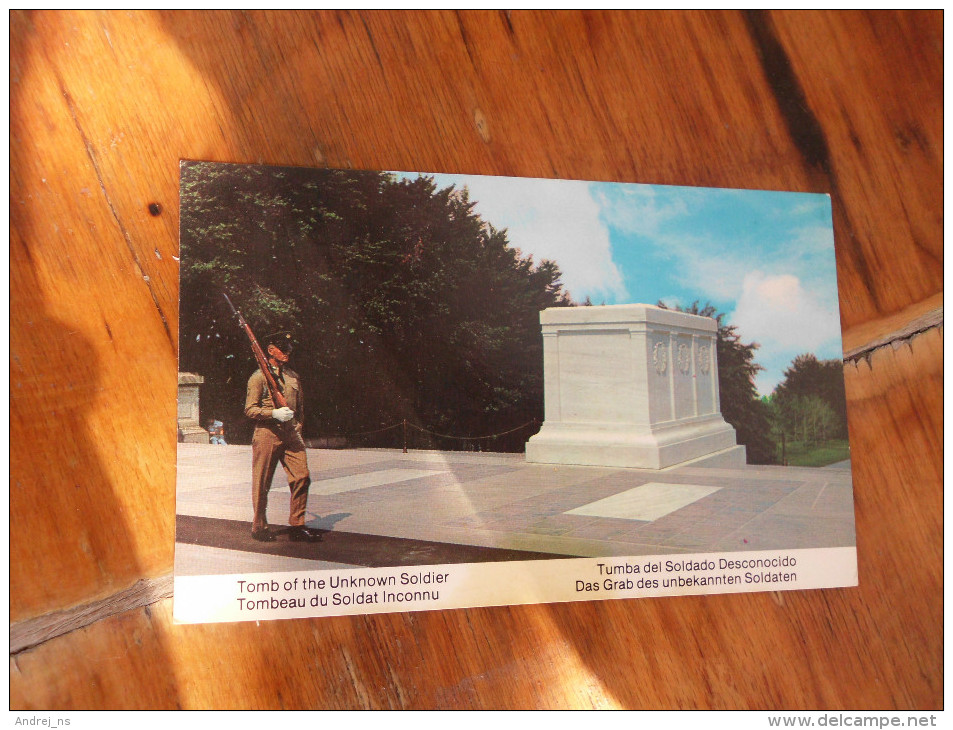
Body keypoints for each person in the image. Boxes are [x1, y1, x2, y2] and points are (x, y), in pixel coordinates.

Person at [244, 332, 320, 543]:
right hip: (267, 433)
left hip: (290, 433)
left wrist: (298, 428)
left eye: (288, 347)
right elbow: (250, 410)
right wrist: (272, 414)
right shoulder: (258, 377)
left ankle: (297, 525)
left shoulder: (293, 376)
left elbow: (301, 408)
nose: (287, 351)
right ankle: (259, 526)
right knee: (262, 482)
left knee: (302, 476)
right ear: (270, 350)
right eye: (282, 347)